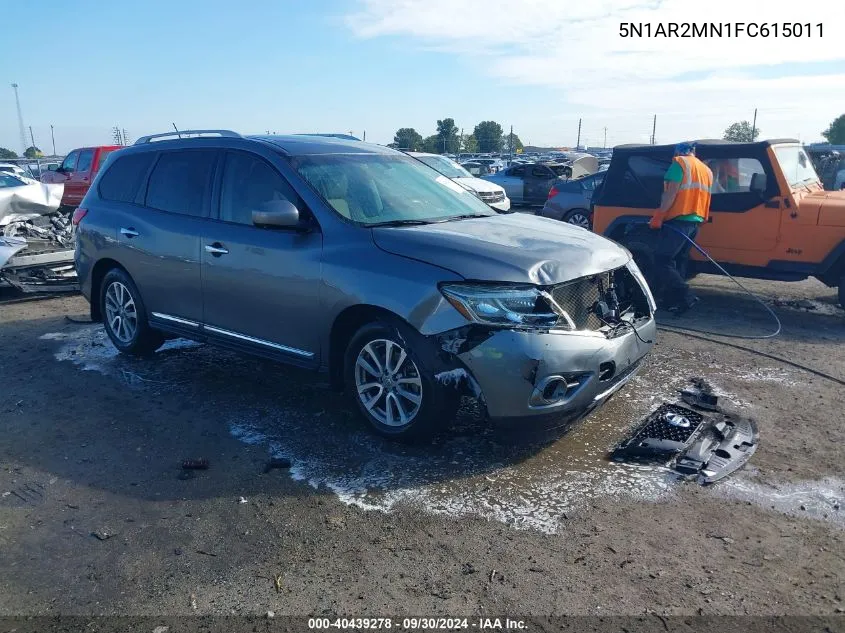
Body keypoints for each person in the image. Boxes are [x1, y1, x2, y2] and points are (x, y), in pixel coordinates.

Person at [647, 141, 713, 313]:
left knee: (661, 260)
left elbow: (671, 193)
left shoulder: (679, 164)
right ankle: (674, 301)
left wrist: (659, 215)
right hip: (694, 221)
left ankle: (686, 295)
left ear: (678, 152)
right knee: (679, 261)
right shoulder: (706, 170)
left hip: (678, 220)